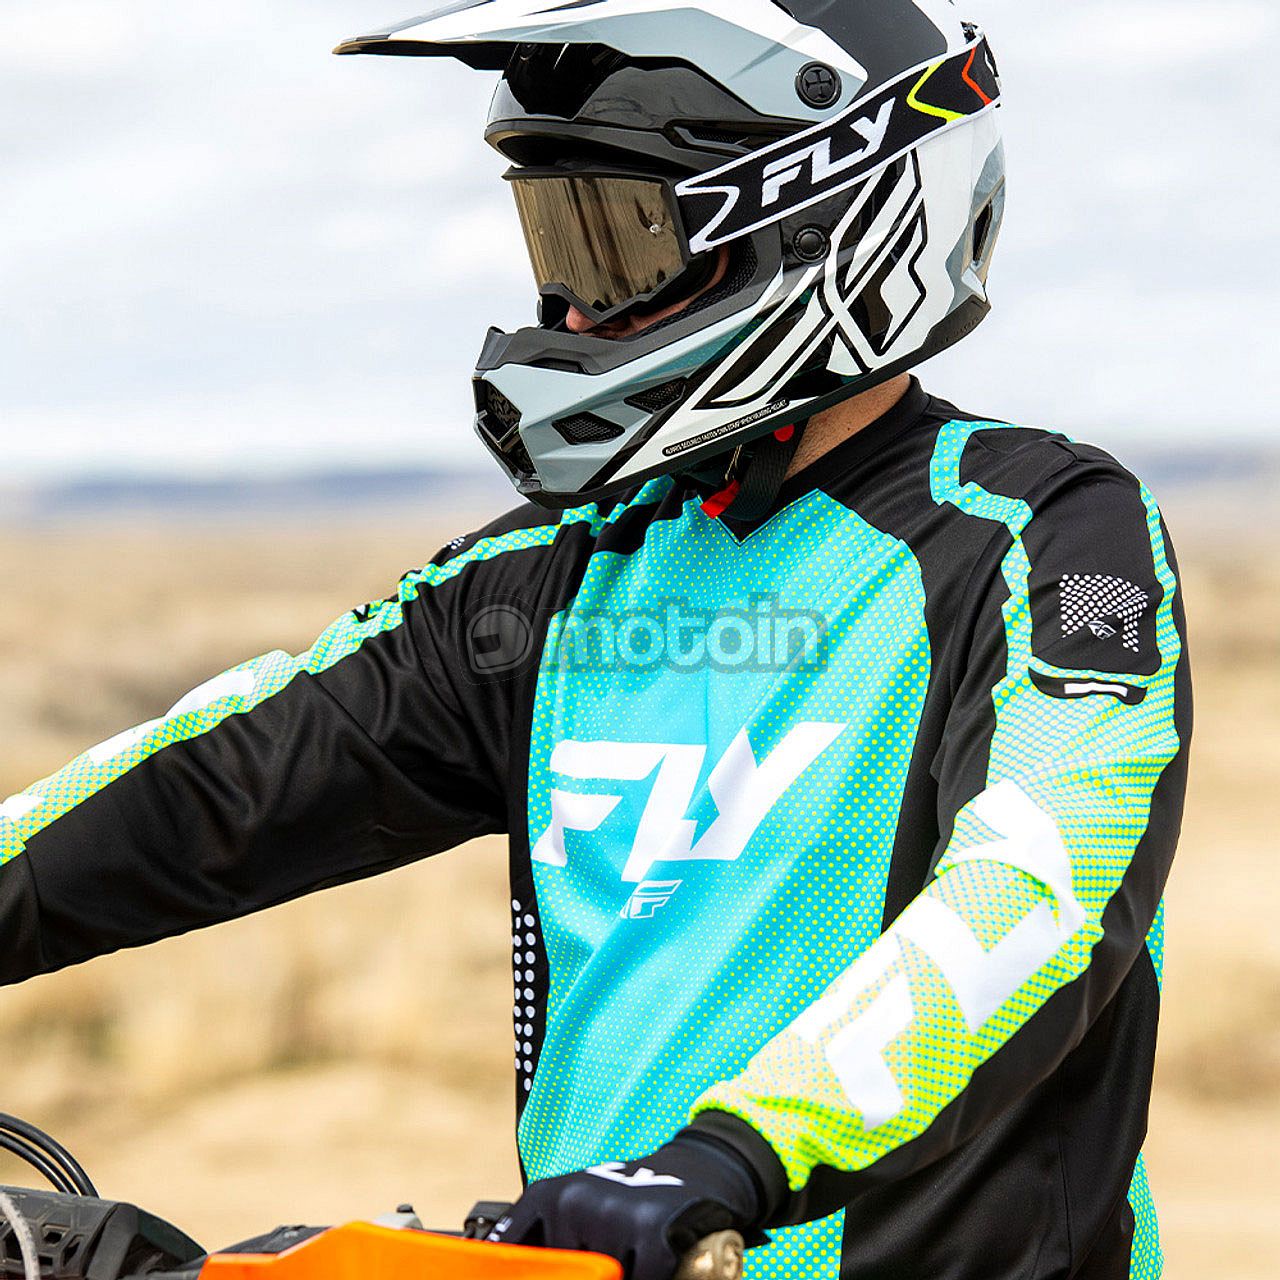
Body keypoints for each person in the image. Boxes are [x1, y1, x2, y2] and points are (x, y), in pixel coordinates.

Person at [0, 4, 1190, 1279]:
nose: (569, 312)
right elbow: (223, 778)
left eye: (622, 246)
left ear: (821, 228)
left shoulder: (1041, 530)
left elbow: (1042, 884)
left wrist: (735, 1154)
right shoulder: (556, 569)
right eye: (555, 243)